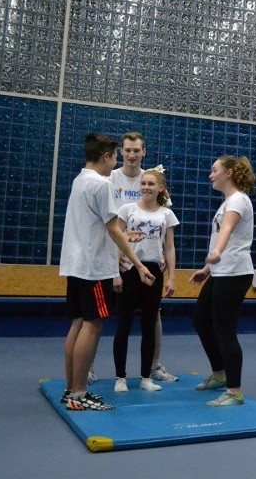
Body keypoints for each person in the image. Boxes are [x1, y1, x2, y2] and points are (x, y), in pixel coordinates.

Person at [59, 133, 155, 411]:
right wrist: (138, 265)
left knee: (78, 323)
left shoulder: (79, 181)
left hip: (76, 265)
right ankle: (79, 393)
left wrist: (126, 235)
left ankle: (70, 390)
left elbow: (106, 227)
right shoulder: (102, 185)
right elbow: (114, 229)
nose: (115, 162)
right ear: (106, 156)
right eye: (115, 156)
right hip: (94, 267)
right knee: (93, 324)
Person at [100, 131, 178, 384]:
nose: (132, 155)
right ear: (121, 152)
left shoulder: (152, 179)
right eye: (127, 150)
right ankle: (91, 368)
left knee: (152, 316)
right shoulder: (109, 179)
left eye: (137, 150)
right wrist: (118, 255)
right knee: (102, 315)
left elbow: (165, 229)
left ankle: (153, 367)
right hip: (115, 261)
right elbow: (107, 222)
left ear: (144, 152)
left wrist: (165, 262)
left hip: (150, 266)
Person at [189, 155, 256, 407]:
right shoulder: (227, 201)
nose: (211, 175)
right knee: (201, 320)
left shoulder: (238, 199)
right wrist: (207, 268)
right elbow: (223, 233)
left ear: (228, 173)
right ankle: (219, 374)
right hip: (220, 272)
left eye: (214, 170)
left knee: (224, 330)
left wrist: (216, 253)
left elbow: (227, 230)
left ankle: (234, 390)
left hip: (235, 273)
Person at [112, 169, 179, 392]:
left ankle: (145, 377)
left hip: (153, 272)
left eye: (151, 184)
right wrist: (115, 272)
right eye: (143, 183)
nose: (146, 187)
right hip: (130, 270)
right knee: (123, 325)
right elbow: (115, 240)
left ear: (160, 188)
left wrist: (171, 277)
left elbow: (169, 247)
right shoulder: (126, 210)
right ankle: (120, 377)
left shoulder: (166, 214)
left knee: (149, 325)